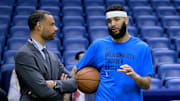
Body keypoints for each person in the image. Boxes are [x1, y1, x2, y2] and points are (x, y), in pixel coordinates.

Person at [73, 4, 154, 101]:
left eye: (116, 19)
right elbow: (75, 70)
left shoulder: (142, 48)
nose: (112, 24)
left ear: (126, 20)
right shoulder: (98, 45)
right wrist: (67, 93)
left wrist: (134, 76)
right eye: (109, 21)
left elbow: (147, 85)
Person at [14, 10, 77, 101]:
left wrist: (54, 84)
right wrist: (63, 92)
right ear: (39, 26)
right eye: (51, 24)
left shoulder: (53, 56)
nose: (56, 28)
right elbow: (43, 92)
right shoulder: (23, 55)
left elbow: (74, 83)